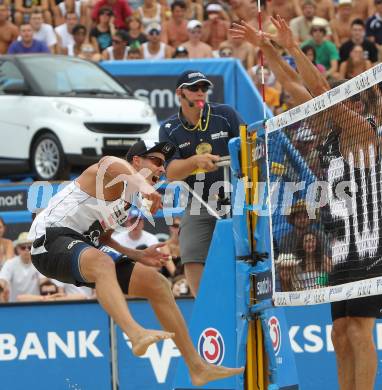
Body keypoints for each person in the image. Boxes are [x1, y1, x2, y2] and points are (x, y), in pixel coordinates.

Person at [230, 16, 379, 390]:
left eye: (346, 99)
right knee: (340, 333)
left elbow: (323, 92)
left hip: (371, 243)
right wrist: (267, 47)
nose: (334, 103)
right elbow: (293, 84)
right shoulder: (331, 131)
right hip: (343, 243)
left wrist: (292, 46)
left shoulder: (364, 131)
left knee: (360, 331)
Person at [27, 140, 244, 385]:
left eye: (164, 165)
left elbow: (103, 235)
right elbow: (109, 162)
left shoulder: (129, 202)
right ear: (136, 161)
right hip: (47, 240)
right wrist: (144, 186)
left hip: (78, 244)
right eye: (157, 162)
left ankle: (197, 367)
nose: (162, 169)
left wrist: (138, 255)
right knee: (102, 264)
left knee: (157, 283)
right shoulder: (114, 171)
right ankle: (135, 333)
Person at [159, 70, 244, 296]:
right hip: (199, 200)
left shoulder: (225, 115)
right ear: (180, 93)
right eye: (194, 88)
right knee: (192, 257)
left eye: (203, 88)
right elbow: (171, 172)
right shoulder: (169, 129)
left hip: (235, 197)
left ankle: (246, 299)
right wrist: (196, 161)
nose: (200, 93)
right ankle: (205, 307)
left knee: (247, 253)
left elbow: (249, 148)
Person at [0, 232, 45, 302]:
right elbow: (2, 281)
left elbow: (43, 282)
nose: (26, 250)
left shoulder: (40, 263)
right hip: (14, 307)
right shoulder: (10, 263)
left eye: (29, 247)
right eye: (23, 247)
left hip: (36, 305)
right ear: (17, 249)